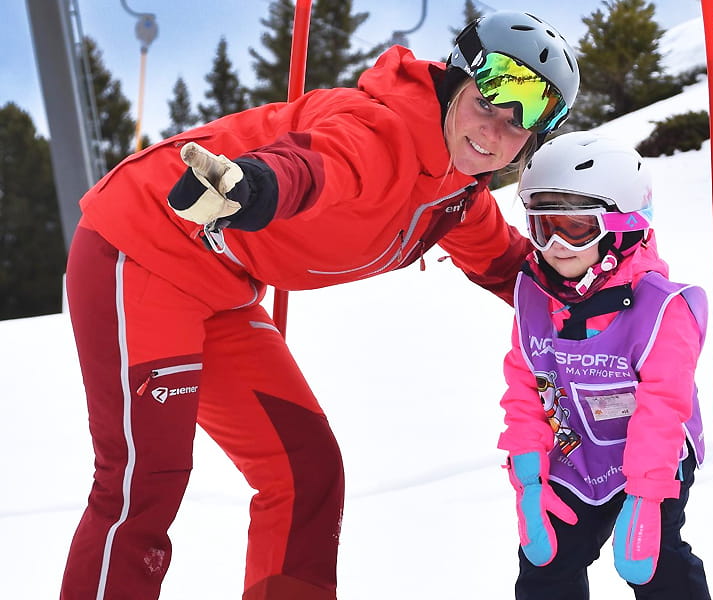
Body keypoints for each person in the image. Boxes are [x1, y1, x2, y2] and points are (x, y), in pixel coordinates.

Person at [60, 11, 580, 600]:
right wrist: (255, 186)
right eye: (490, 101)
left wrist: (610, 299)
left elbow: (515, 270)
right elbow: (316, 163)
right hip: (147, 245)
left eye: (523, 123)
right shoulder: (384, 131)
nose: (496, 131)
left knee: (303, 473)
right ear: (457, 80)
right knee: (143, 481)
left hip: (223, 287)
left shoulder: (455, 195)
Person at [498, 131, 712, 599]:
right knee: (548, 559)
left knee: (655, 561)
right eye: (542, 226)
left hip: (654, 453)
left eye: (576, 229)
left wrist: (647, 494)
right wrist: (529, 478)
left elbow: (663, 408)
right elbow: (525, 388)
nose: (556, 245)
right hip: (576, 452)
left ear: (622, 226)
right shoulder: (534, 297)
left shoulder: (662, 310)